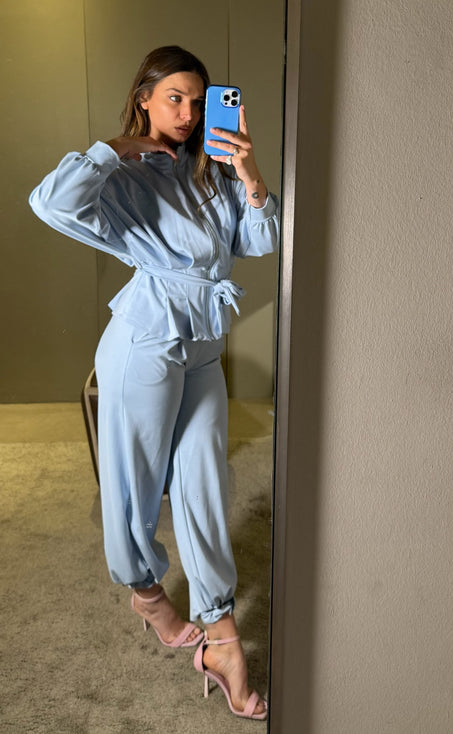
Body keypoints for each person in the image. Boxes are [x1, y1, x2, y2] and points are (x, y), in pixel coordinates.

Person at [29, 45, 279, 721]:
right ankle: (145, 593)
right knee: (135, 483)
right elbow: (50, 203)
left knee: (205, 484)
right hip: (146, 342)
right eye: (174, 98)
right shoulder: (125, 172)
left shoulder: (211, 168)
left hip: (202, 348)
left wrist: (246, 167)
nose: (188, 112)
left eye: (197, 100)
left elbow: (261, 240)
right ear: (144, 98)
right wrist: (120, 147)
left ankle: (221, 638)